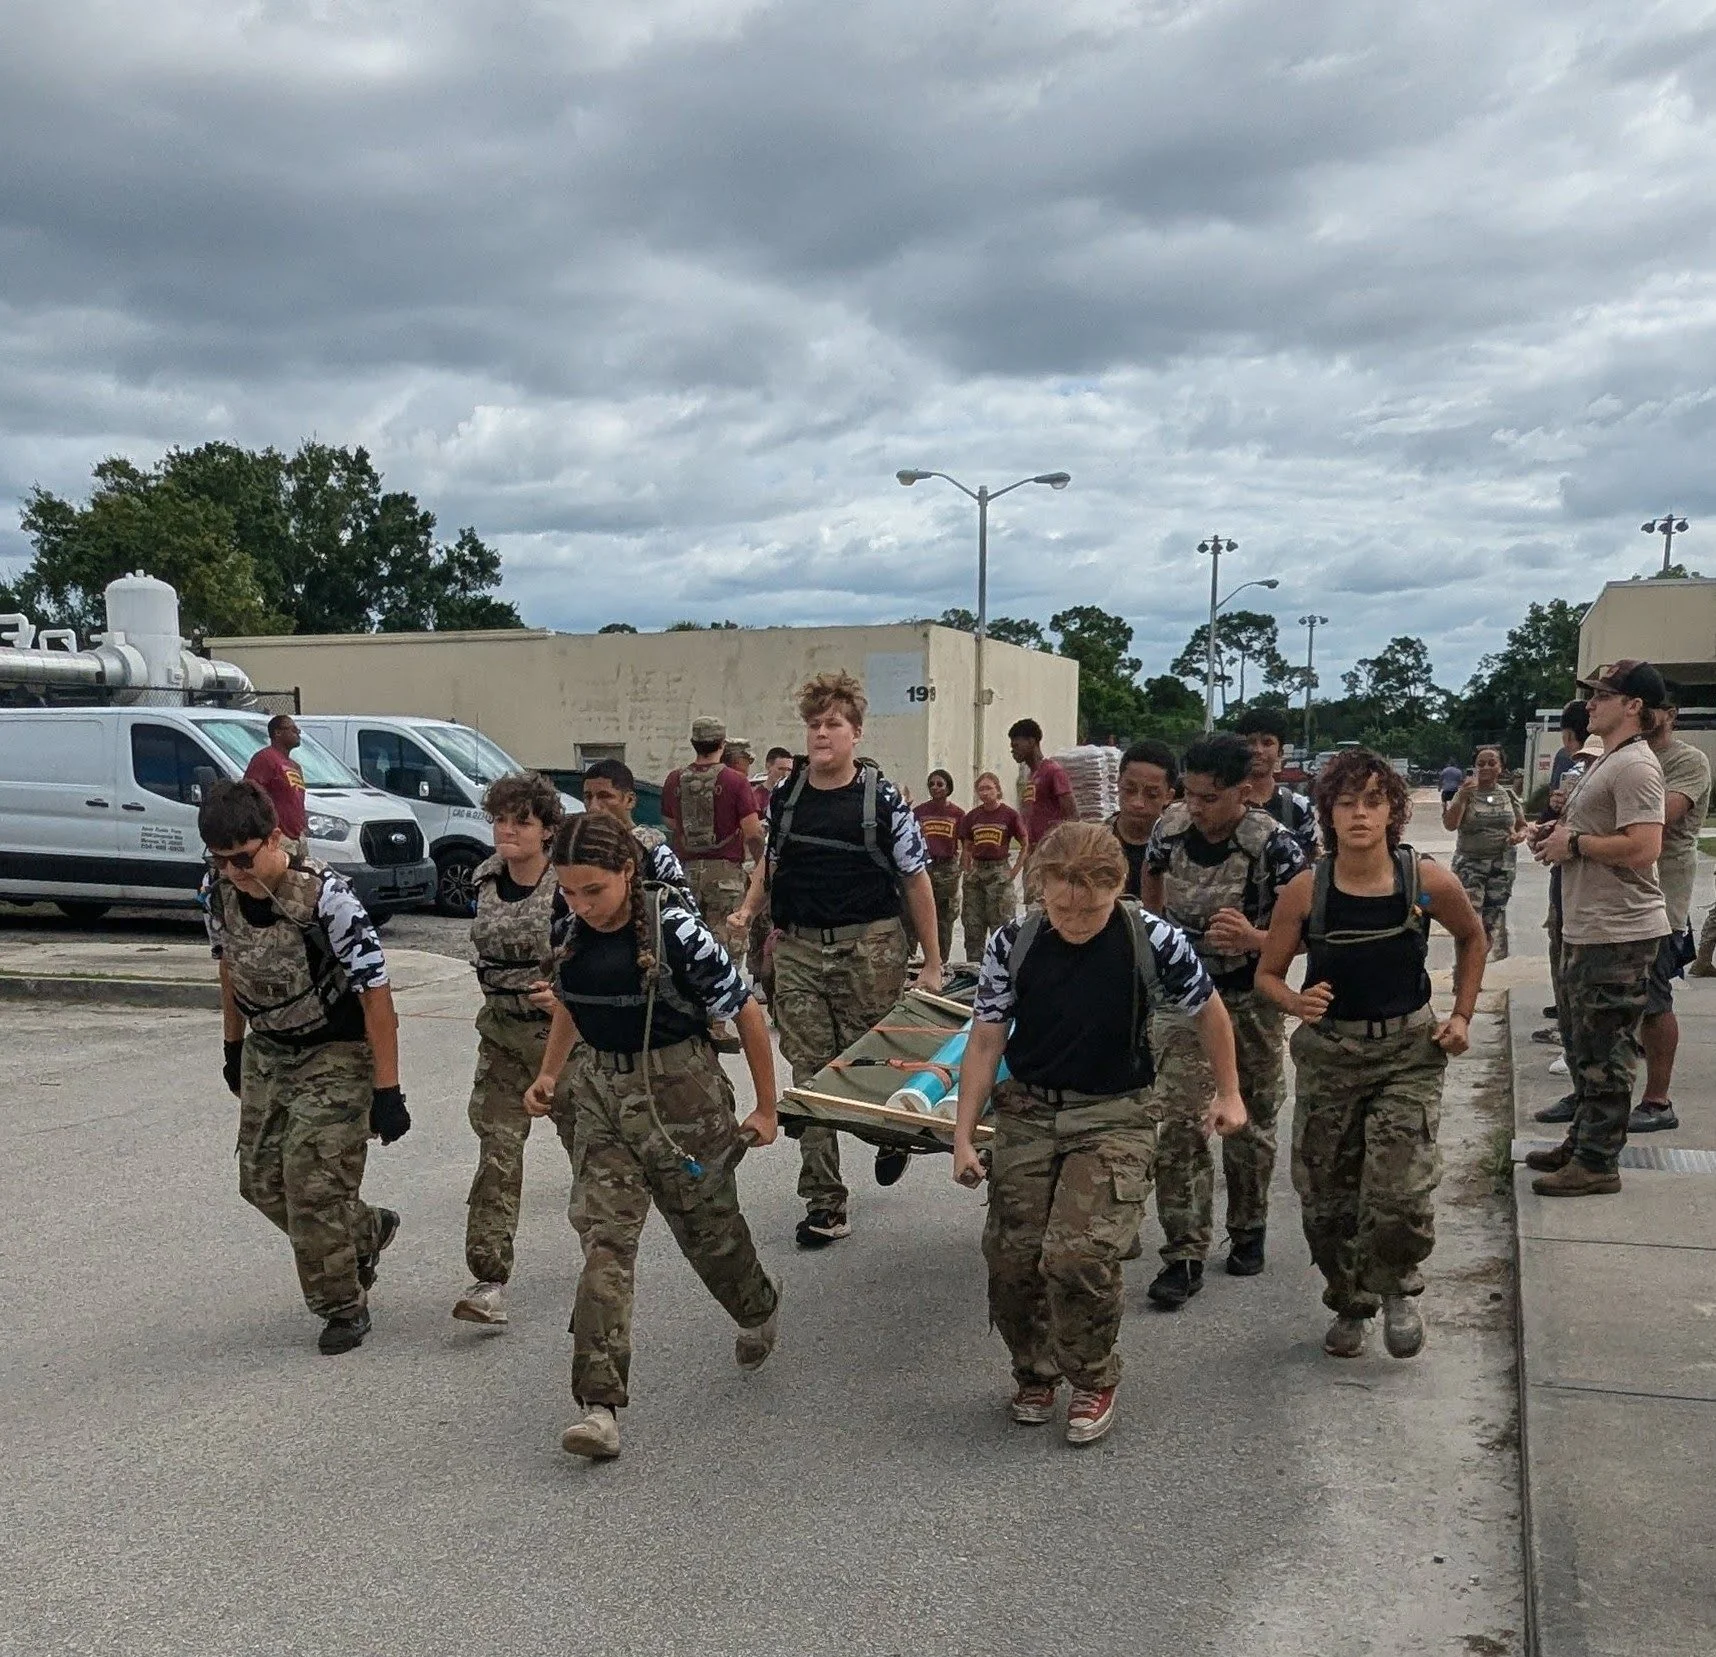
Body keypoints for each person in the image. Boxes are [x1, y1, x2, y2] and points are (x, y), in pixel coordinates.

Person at [950, 822, 1245, 1447]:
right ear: (1042, 891)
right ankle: (1035, 1370)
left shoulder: (1151, 938)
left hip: (1116, 1112)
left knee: (1078, 1253)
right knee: (1011, 1255)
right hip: (1030, 1109)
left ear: (1118, 889)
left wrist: (1231, 1093)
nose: (1076, 919)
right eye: (1062, 906)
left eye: (1091, 906)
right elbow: (985, 1037)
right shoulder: (1015, 941)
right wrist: (964, 1133)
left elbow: (1209, 1011)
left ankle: (1091, 1373)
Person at [525, 813, 781, 1461]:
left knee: (710, 1235)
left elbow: (744, 1011)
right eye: (570, 891)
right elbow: (572, 1006)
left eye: (594, 891)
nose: (581, 905)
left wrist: (766, 1107)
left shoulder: (676, 931)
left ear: (627, 873)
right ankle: (599, 1404)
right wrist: (550, 1073)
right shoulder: (569, 925)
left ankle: (756, 1305)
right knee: (605, 1243)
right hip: (605, 1100)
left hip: (683, 1098)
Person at [1256, 750, 1486, 1359]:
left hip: (1407, 1053)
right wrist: (1295, 1002)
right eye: (1347, 802)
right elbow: (1269, 974)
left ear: (1393, 812)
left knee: (1398, 1196)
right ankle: (1350, 1303)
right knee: (1326, 1200)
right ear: (1328, 811)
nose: (1360, 814)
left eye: (1374, 802)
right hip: (1331, 1058)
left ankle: (1398, 1290)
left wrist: (1461, 1014)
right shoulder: (1306, 890)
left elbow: (1472, 936)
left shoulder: (1426, 881)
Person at [730, 671, 940, 1244]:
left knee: (871, 1061)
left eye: (833, 724)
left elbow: (916, 880)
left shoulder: (882, 799)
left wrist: (933, 964)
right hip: (798, 949)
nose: (821, 734)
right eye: (814, 725)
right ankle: (825, 1202)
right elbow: (770, 862)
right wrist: (750, 910)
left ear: (856, 733)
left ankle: (894, 1132)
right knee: (811, 1072)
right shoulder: (785, 796)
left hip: (869, 947)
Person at [199, 778, 407, 1356]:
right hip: (268, 1047)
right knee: (261, 1182)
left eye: (242, 858)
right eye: (218, 860)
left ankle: (342, 1304)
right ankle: (366, 1230)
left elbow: (376, 994)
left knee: (312, 1185)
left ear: (274, 838)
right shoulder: (217, 891)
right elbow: (230, 968)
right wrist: (233, 1047)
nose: (233, 871)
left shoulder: (327, 899)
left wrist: (387, 1090)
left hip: (335, 1050)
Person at [1138, 732, 1308, 1305]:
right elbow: (1152, 878)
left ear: (1243, 792)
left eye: (1210, 798)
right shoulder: (1170, 827)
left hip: (1248, 1000)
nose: (1197, 808)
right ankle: (1183, 1253)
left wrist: (1258, 937)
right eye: (1189, 794)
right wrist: (1157, 934)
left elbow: (1309, 929)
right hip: (1183, 999)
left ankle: (1248, 1227)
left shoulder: (1275, 847)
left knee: (1249, 1122)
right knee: (1178, 1123)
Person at [1525, 660, 1669, 1197]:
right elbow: (1594, 830)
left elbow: (1644, 846)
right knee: (1584, 1043)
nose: (1590, 703)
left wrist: (1576, 844)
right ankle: (1583, 1140)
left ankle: (1598, 1162)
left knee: (1607, 1051)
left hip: (1617, 931)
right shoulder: (1607, 761)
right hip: (1588, 924)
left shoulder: (1635, 766)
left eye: (1603, 694)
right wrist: (1556, 834)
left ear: (1634, 706)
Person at [452, 772, 571, 1327]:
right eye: (499, 819)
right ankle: (488, 1279)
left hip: (562, 1040)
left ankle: (607, 1256)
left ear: (547, 829)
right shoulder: (485, 879)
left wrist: (568, 998)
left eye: (520, 821)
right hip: (501, 1035)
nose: (507, 831)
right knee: (497, 1154)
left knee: (593, 1153)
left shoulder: (568, 884)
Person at [1629, 703, 1710, 1132]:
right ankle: (1594, 1090)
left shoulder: (1687, 760)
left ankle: (1658, 1101)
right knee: (1613, 999)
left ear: (1670, 712)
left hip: (1662, 898)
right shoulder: (1627, 755)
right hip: (1620, 896)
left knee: (1654, 997)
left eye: (1649, 705)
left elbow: (1659, 817)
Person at [662, 717, 765, 977]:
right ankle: (720, 1011)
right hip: (726, 875)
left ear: (693, 743)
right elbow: (753, 833)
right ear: (722, 744)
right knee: (726, 947)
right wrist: (762, 868)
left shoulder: (674, 779)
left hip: (684, 874)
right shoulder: (736, 781)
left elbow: (670, 822)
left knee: (688, 944)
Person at [1443, 747, 1527, 959]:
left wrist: (1520, 835)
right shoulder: (1466, 795)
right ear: (1474, 767)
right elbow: (1450, 825)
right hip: (1470, 866)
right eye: (1480, 764)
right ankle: (1462, 974)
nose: (1486, 767)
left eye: (1492, 763)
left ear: (1501, 768)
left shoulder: (1508, 795)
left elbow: (1522, 825)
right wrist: (1461, 796)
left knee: (1489, 924)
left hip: (1501, 867)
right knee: (1469, 923)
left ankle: (1475, 969)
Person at [581, 757, 695, 902]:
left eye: (605, 796)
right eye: (588, 797)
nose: (594, 806)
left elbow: (684, 908)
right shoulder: (580, 849)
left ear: (630, 800)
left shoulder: (655, 854)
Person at [958, 771, 1028, 963]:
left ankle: (1001, 969)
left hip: (999, 872)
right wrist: (967, 868)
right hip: (976, 874)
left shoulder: (1010, 815)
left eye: (989, 788)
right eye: (980, 789)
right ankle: (974, 970)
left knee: (1002, 926)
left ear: (998, 789)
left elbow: (1025, 843)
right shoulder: (972, 817)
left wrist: (1014, 871)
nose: (985, 793)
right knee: (973, 926)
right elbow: (966, 846)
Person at [1233, 706, 1318, 858]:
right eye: (1251, 742)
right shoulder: (1227, 803)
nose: (1258, 750)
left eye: (1267, 743)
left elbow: (1308, 864)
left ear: (1280, 752)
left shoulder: (1297, 807)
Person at [1109, 740, 1177, 899]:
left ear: (1169, 796)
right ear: (1118, 784)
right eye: (1129, 790)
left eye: (1152, 795)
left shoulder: (1179, 848)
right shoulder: (1094, 842)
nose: (1138, 803)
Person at [913, 770, 966, 964]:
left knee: (944, 919)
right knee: (916, 914)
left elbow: (966, 842)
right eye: (932, 784)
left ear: (948, 788)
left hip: (947, 869)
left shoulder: (958, 814)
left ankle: (941, 963)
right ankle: (912, 960)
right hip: (924, 867)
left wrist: (961, 866)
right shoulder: (919, 812)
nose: (935, 788)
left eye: (940, 784)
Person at [242, 713, 308, 851]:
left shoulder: (295, 766)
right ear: (277, 732)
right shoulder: (265, 758)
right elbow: (249, 794)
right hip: (277, 838)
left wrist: (303, 828)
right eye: (293, 729)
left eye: (298, 730)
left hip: (297, 838)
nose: (298, 733)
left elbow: (297, 801)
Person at [1009, 718, 1078, 850]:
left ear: (1031, 741)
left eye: (1016, 745)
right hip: (1033, 851)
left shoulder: (1053, 771)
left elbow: (1072, 816)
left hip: (1052, 851)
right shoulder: (1029, 776)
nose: (1013, 751)